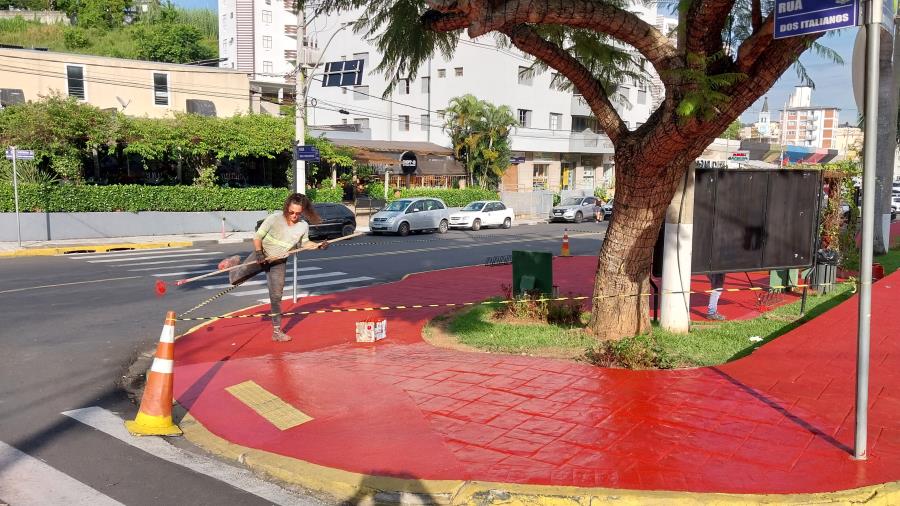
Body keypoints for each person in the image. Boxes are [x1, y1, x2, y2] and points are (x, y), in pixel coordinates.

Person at [219, 193, 328, 342]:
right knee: (235, 280)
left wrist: (318, 246)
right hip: (262, 255)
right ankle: (234, 262)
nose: (294, 216)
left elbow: (305, 243)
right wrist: (258, 253)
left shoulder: (303, 226)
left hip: (278, 262)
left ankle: (277, 332)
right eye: (291, 212)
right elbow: (257, 237)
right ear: (286, 208)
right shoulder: (274, 218)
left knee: (276, 296)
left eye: (298, 213)